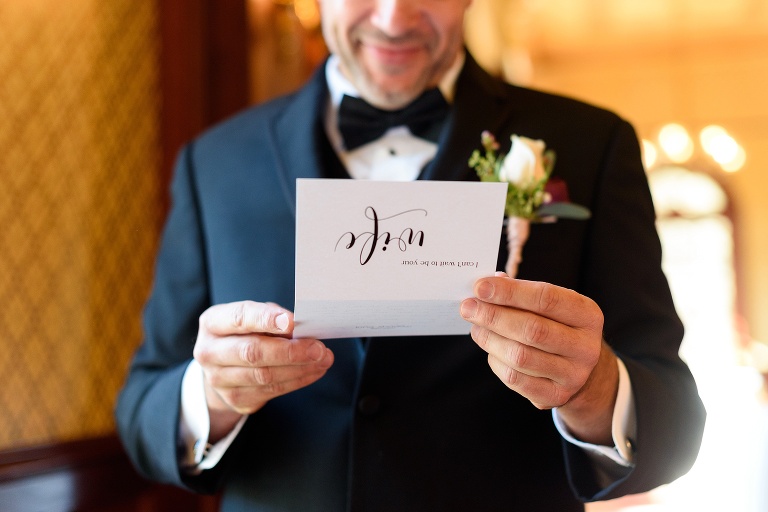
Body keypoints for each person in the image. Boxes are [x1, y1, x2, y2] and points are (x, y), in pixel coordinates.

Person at [115, 0, 706, 509]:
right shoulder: (214, 162)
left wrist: (595, 390)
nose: (394, 18)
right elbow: (141, 409)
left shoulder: (590, 144)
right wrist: (211, 397)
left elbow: (676, 419)